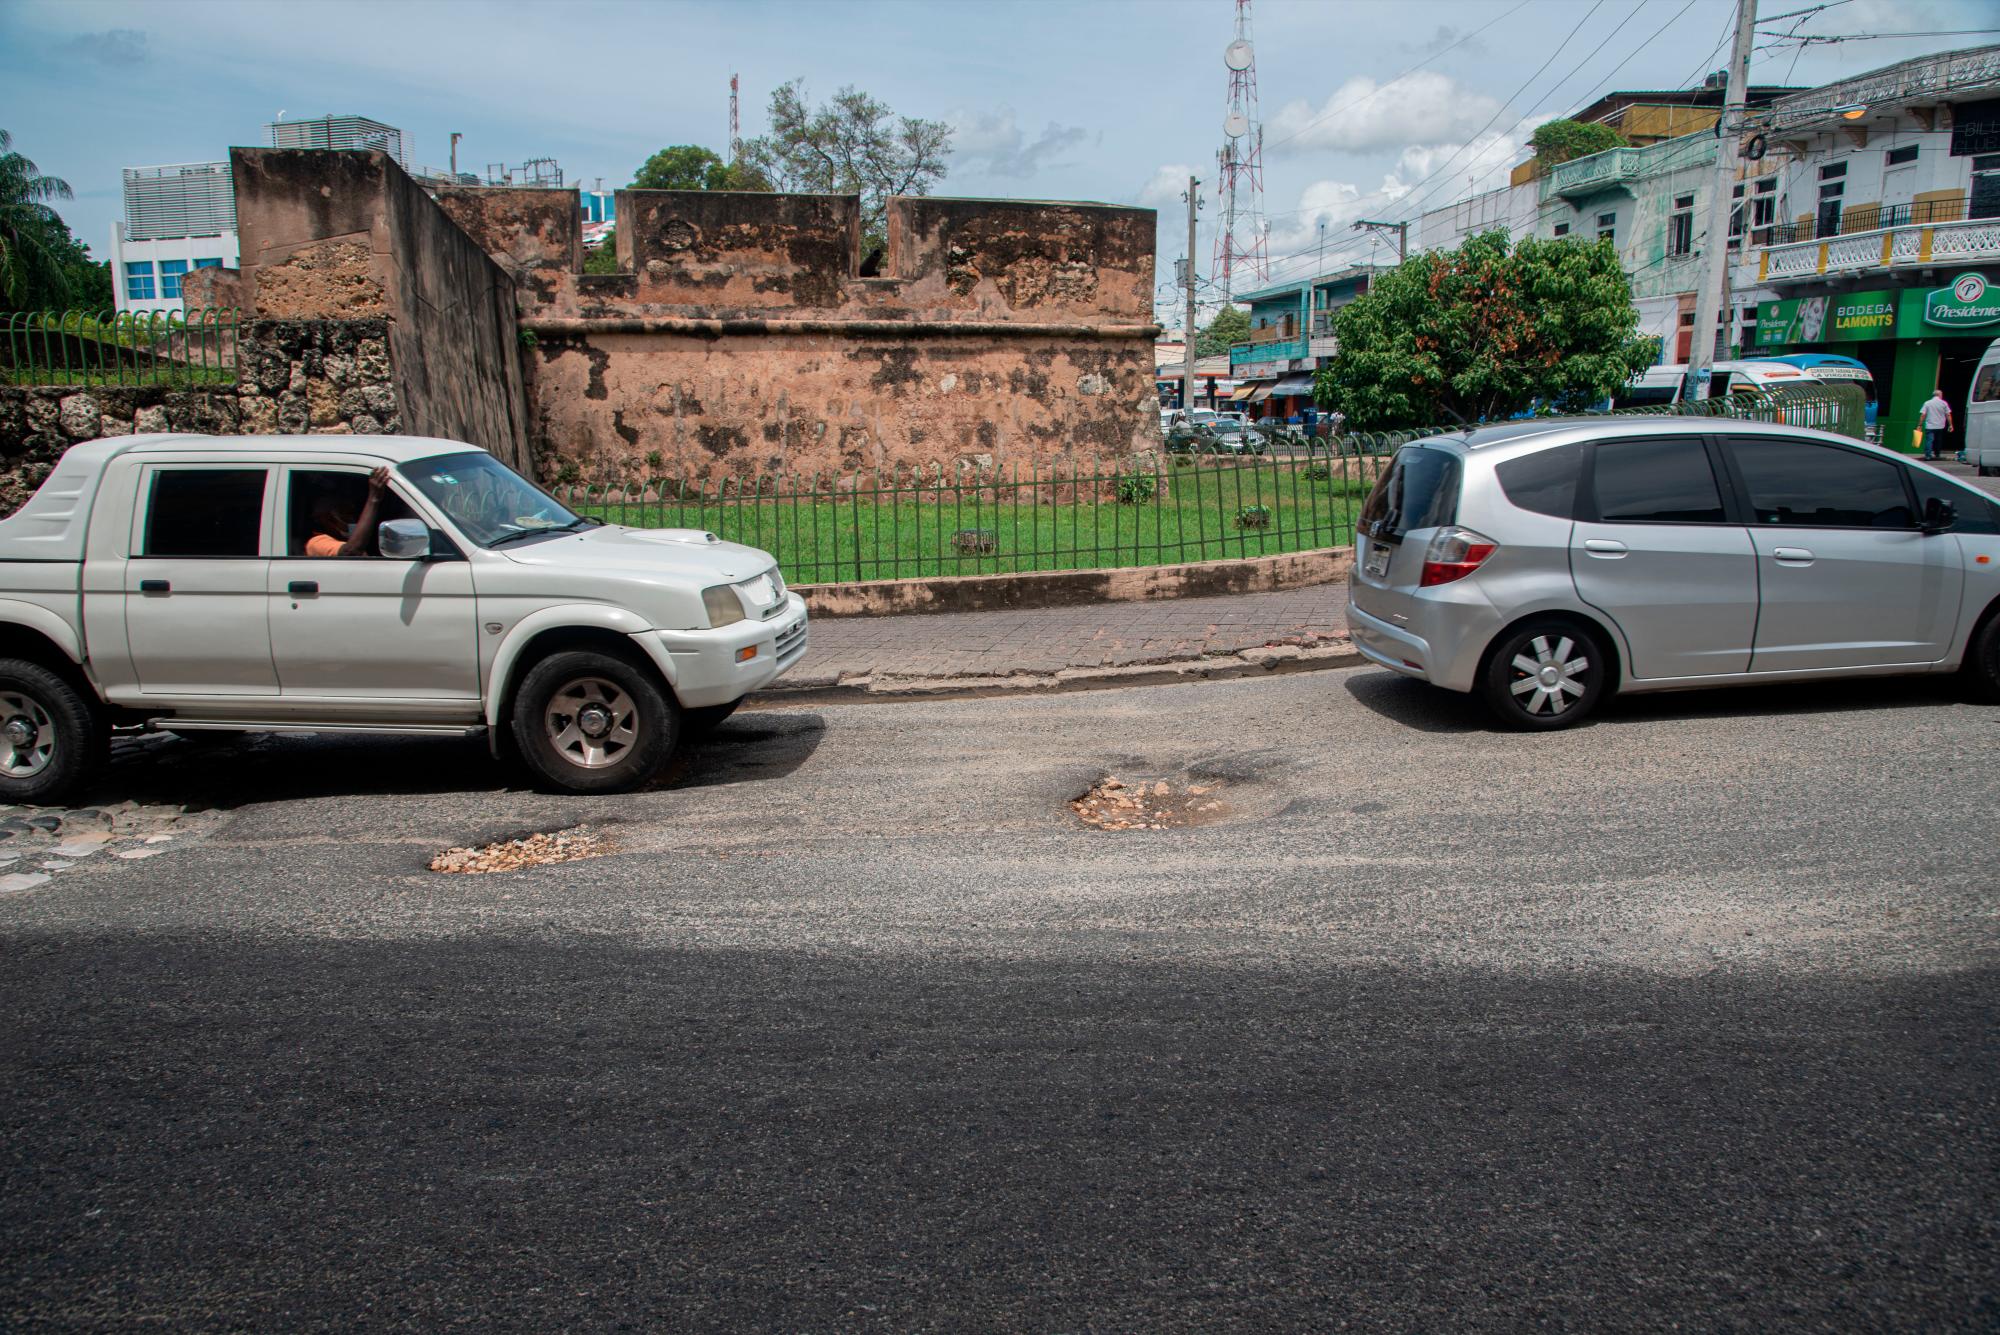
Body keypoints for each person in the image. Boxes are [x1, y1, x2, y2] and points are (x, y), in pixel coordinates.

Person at [306, 466, 392, 557]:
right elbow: (350, 551)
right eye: (343, 512)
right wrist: (374, 499)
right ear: (322, 518)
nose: (349, 518)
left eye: (350, 512)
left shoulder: (344, 538)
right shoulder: (315, 543)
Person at [1919, 388, 1953, 462]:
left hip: (1930, 425)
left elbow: (1923, 415)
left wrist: (1920, 425)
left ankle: (1928, 455)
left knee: (1929, 440)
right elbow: (1948, 415)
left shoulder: (1927, 403)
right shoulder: (1944, 403)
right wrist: (1950, 425)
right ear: (1939, 395)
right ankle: (1937, 454)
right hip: (1940, 425)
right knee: (1938, 440)